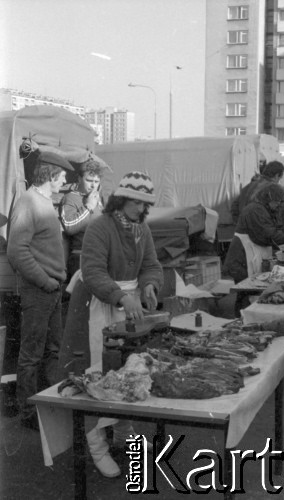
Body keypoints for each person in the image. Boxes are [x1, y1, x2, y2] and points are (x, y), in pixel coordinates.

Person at [57, 170, 163, 478]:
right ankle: (97, 446)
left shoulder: (142, 229)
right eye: (139, 204)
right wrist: (121, 296)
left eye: (146, 205)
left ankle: (125, 433)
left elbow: (151, 265)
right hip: (98, 306)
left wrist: (149, 286)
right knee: (97, 375)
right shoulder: (99, 228)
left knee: (128, 373)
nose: (144, 211)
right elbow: (91, 271)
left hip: (127, 308)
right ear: (122, 200)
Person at [7, 151, 74, 430]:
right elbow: (16, 251)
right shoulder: (29, 202)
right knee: (33, 353)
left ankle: (48, 407)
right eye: (62, 176)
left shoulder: (44, 201)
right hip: (40, 290)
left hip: (52, 289)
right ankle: (28, 413)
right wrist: (45, 281)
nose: (65, 181)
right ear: (49, 174)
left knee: (52, 351)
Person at [223, 184, 284, 314]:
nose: (278, 205)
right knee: (245, 292)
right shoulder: (255, 210)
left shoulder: (264, 209)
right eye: (277, 202)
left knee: (249, 291)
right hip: (241, 258)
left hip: (248, 257)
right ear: (268, 198)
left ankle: (248, 317)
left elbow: (274, 228)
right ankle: (242, 319)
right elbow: (266, 233)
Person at [59, 159, 103, 278]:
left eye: (96, 181)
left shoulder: (98, 199)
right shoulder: (70, 198)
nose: (93, 185)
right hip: (80, 258)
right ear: (79, 178)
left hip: (100, 257)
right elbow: (69, 226)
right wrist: (88, 207)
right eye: (89, 180)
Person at [231, 160, 284, 224]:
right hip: (262, 229)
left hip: (244, 227)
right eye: (280, 178)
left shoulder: (248, 186)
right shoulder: (275, 188)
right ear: (277, 176)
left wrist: (239, 223)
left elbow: (234, 207)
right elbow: (281, 212)